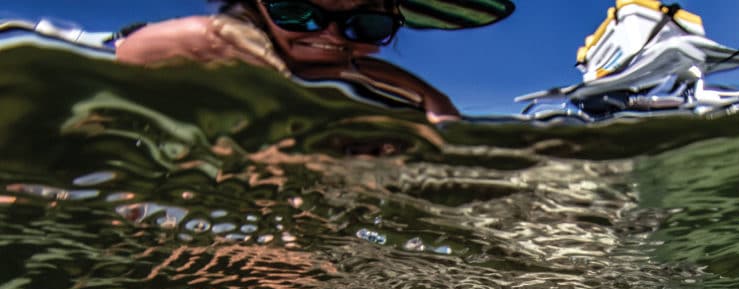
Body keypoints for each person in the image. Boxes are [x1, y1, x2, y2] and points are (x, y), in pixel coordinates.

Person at [111, 1, 516, 124]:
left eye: (365, 24)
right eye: (297, 12)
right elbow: (165, 46)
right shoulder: (202, 40)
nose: (333, 36)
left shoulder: (387, 86)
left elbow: (448, 127)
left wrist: (425, 97)